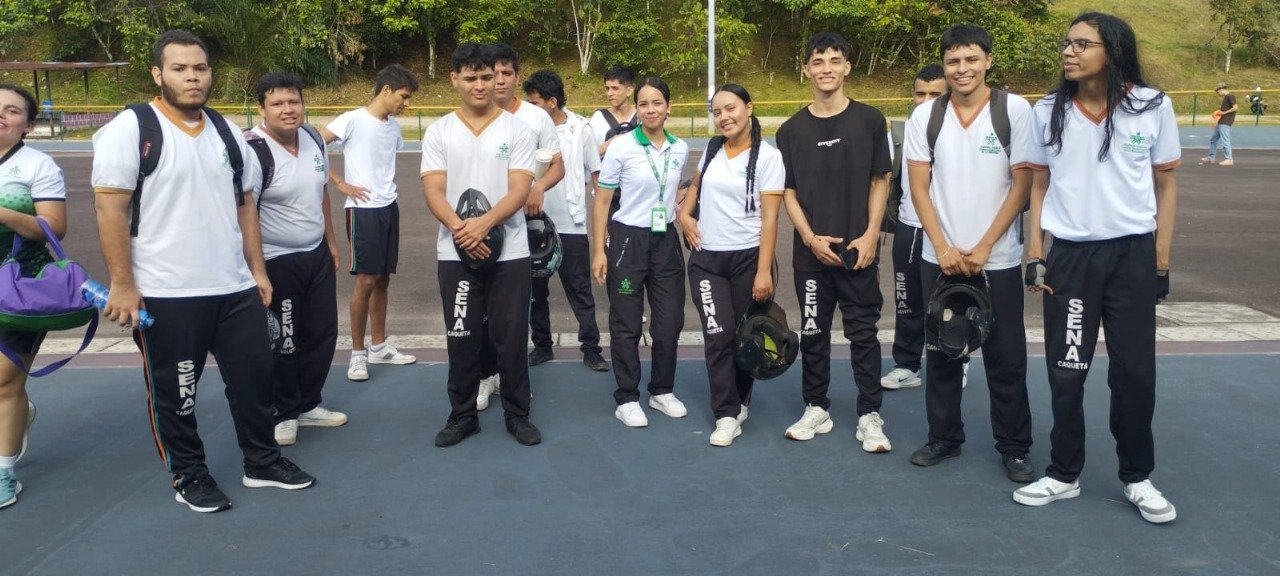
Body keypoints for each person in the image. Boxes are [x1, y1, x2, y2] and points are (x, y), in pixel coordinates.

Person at [92, 30, 314, 513]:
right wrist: (123, 285)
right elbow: (110, 210)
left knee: (256, 381)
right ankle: (189, 474)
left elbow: (246, 207)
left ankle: (262, 463)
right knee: (179, 394)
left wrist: (258, 271)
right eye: (179, 68)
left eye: (200, 68)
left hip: (233, 286)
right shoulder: (133, 129)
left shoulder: (227, 131)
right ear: (158, 74)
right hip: (167, 291)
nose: (192, 76)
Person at [1015, 12, 1181, 525]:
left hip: (1131, 255)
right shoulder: (1045, 111)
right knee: (1067, 371)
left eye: (1082, 44)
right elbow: (1038, 186)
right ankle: (1064, 473)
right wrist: (1035, 251)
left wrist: (1160, 261)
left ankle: (1137, 476)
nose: (1069, 52)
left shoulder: (1151, 106)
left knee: (1134, 373)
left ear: (1111, 50)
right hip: (1071, 259)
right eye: (1067, 43)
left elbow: (1166, 186)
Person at [903, 25, 1036, 482]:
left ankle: (1015, 446)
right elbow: (919, 186)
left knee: (1006, 357)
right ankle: (944, 437)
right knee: (942, 352)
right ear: (944, 65)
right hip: (939, 258)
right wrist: (941, 245)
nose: (962, 69)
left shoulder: (1013, 110)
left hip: (995, 259)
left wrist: (984, 246)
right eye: (953, 61)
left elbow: (1022, 185)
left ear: (988, 61)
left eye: (971, 60)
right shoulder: (926, 117)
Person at [775, 32, 893, 452]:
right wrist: (808, 237)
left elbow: (881, 179)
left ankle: (869, 415)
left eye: (834, 60)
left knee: (864, 333)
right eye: (818, 61)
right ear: (806, 69)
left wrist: (870, 234)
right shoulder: (790, 130)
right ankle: (816, 407)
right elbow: (787, 190)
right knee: (813, 332)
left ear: (847, 67)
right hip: (811, 256)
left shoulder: (871, 121)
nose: (826, 68)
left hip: (857, 251)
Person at [421, 42, 541, 447]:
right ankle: (462, 415)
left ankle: (517, 413)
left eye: (487, 76)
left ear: (499, 78)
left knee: (510, 337)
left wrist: (485, 223)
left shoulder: (517, 130)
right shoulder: (439, 130)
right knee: (462, 336)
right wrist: (461, 229)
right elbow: (434, 190)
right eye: (470, 77)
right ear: (454, 79)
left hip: (510, 253)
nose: (480, 85)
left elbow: (520, 187)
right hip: (454, 253)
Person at [677, 84, 784, 446]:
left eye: (730, 108)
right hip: (707, 260)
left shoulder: (768, 158)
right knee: (717, 335)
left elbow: (770, 221)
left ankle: (740, 401)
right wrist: (685, 216)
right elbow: (695, 189)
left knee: (744, 336)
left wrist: (764, 270)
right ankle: (725, 413)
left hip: (749, 259)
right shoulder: (710, 149)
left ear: (749, 108)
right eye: (717, 111)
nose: (723, 117)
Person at [245, 72, 347, 447]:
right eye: (277, 103)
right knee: (285, 339)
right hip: (277, 259)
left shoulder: (314, 138)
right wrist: (258, 271)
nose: (288, 110)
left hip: (315, 254)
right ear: (261, 109)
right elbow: (245, 215)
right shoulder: (252, 149)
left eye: (294, 102)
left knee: (321, 333)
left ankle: (308, 403)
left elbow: (321, 193)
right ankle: (283, 411)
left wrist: (331, 242)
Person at [592, 76, 689, 428]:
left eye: (657, 103)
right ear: (637, 108)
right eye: (644, 104)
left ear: (668, 107)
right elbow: (602, 201)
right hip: (626, 241)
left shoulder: (679, 149)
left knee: (669, 323)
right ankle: (627, 397)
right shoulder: (621, 147)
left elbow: (674, 192)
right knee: (627, 323)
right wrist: (598, 250)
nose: (650, 109)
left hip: (664, 240)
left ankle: (661, 390)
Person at [320, 64, 419, 382]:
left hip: (389, 208)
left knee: (383, 279)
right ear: (386, 90)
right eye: (403, 96)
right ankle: (358, 354)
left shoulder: (393, 128)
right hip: (363, 211)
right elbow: (314, 145)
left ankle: (379, 346)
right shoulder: (352, 119)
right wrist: (339, 182)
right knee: (364, 281)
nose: (406, 104)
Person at [0, 83, 67, 510]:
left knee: (4, 379)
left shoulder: (36, 165)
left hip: (21, 285)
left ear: (27, 123)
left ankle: (3, 471)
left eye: (10, 111)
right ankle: (20, 411)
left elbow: (53, 228)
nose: (0, 116)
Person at [522, 69, 610, 373]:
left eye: (534, 102)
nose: (529, 107)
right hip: (534, 221)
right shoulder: (523, 127)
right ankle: (543, 346)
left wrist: (602, 219)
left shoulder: (580, 128)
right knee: (535, 292)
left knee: (580, 290)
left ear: (551, 101)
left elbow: (596, 174)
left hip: (571, 223)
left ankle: (591, 349)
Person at [880, 63, 946, 391]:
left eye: (935, 94)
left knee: (946, 302)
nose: (926, 100)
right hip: (908, 227)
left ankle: (953, 360)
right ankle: (906, 364)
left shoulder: (960, 133)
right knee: (907, 300)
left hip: (946, 232)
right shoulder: (900, 135)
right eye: (920, 93)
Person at [589, 66, 637, 155]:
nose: (609, 93)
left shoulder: (642, 117)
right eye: (607, 88)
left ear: (629, 91)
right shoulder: (599, 118)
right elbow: (589, 156)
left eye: (615, 88)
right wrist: (612, 142)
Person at [1200, 82, 1236, 167]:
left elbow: (1235, 108)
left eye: (1218, 91)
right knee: (1213, 139)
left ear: (1221, 89)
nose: (1218, 93)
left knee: (1225, 140)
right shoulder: (1226, 98)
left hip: (1226, 122)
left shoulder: (1230, 96)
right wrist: (1218, 114)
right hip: (1221, 122)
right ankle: (1211, 158)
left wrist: (1223, 112)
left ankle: (1229, 159)